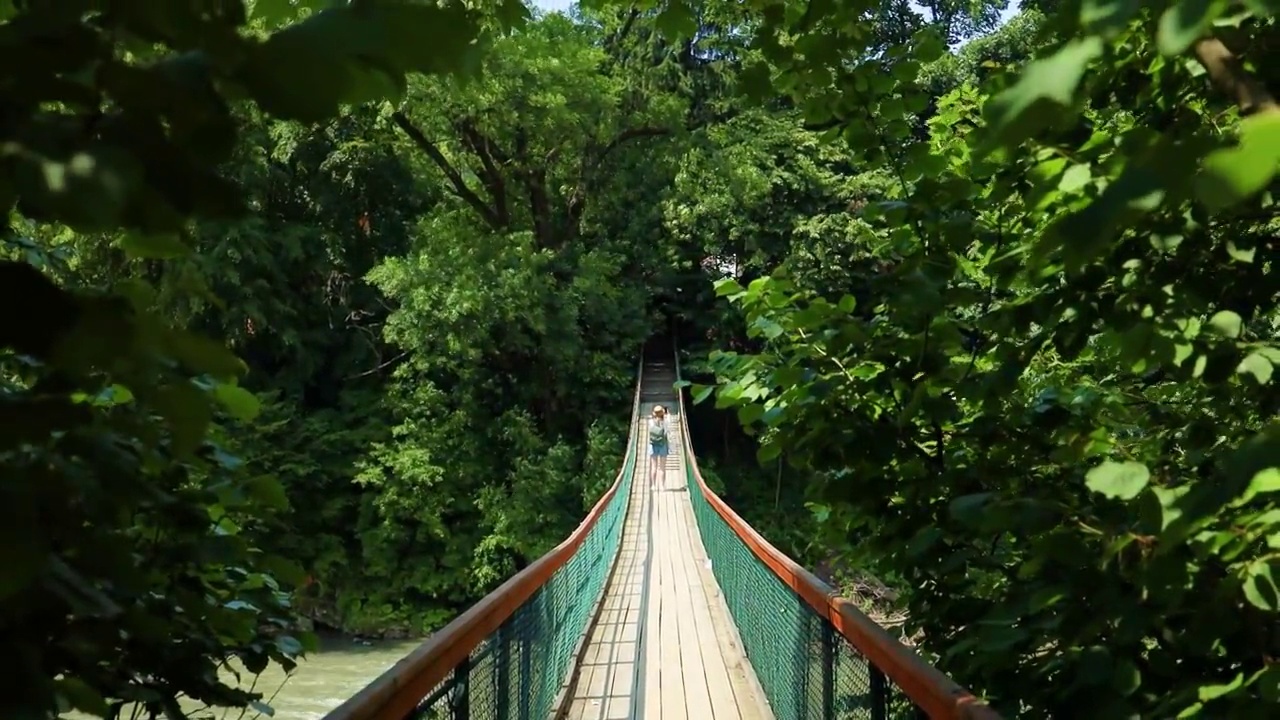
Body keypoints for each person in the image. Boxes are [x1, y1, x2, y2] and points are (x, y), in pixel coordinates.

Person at [647, 405, 669, 490]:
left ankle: (653, 486)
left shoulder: (650, 421)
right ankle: (662, 486)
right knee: (662, 467)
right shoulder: (666, 421)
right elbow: (667, 432)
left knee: (654, 466)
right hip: (663, 444)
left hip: (652, 444)